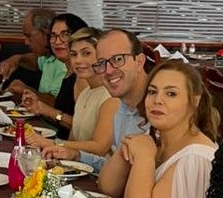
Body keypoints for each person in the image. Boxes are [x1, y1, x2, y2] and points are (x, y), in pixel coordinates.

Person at [103, 61, 217, 198]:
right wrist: (134, 143)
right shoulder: (155, 137)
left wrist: (144, 157)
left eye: (171, 94)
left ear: (194, 101)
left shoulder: (196, 157)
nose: (158, 100)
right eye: (152, 92)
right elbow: (107, 187)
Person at [45, 27, 150, 173]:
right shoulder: (122, 108)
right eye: (102, 63)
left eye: (118, 59)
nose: (108, 70)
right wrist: (77, 155)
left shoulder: (154, 111)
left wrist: (53, 142)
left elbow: (101, 148)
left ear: (139, 61)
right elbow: (112, 166)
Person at [25, 26, 119, 156]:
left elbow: (100, 147)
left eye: (86, 53)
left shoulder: (111, 97)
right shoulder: (85, 93)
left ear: (102, 56)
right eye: (74, 54)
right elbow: (72, 141)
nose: (78, 60)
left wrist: (50, 143)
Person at [20, 12, 86, 125]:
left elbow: (82, 127)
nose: (57, 41)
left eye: (65, 35)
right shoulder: (70, 72)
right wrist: (38, 106)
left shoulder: (83, 77)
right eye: (53, 36)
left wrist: (46, 110)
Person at [0, 8, 61, 96]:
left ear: (46, 33)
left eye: (28, 36)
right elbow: (36, 61)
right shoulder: (48, 56)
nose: (26, 42)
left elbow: (57, 102)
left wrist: (26, 90)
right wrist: (17, 59)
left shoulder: (63, 62)